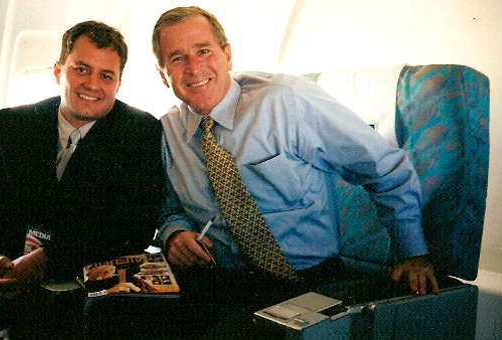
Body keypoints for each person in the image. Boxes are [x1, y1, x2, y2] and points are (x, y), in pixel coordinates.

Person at [151, 6, 439, 337]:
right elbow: (169, 206)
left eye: (203, 51)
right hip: (218, 281)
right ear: (163, 75)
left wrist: (413, 253)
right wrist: (174, 233)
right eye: (176, 58)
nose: (193, 67)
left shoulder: (285, 102)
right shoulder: (167, 131)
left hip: (305, 281)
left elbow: (384, 167)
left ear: (227, 55)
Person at [0, 20, 163, 339]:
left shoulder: (140, 133)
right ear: (59, 71)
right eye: (81, 69)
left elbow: (132, 228)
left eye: (105, 75)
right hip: (7, 271)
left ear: (118, 83)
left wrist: (45, 261)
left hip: (81, 283)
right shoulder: (14, 125)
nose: (92, 84)